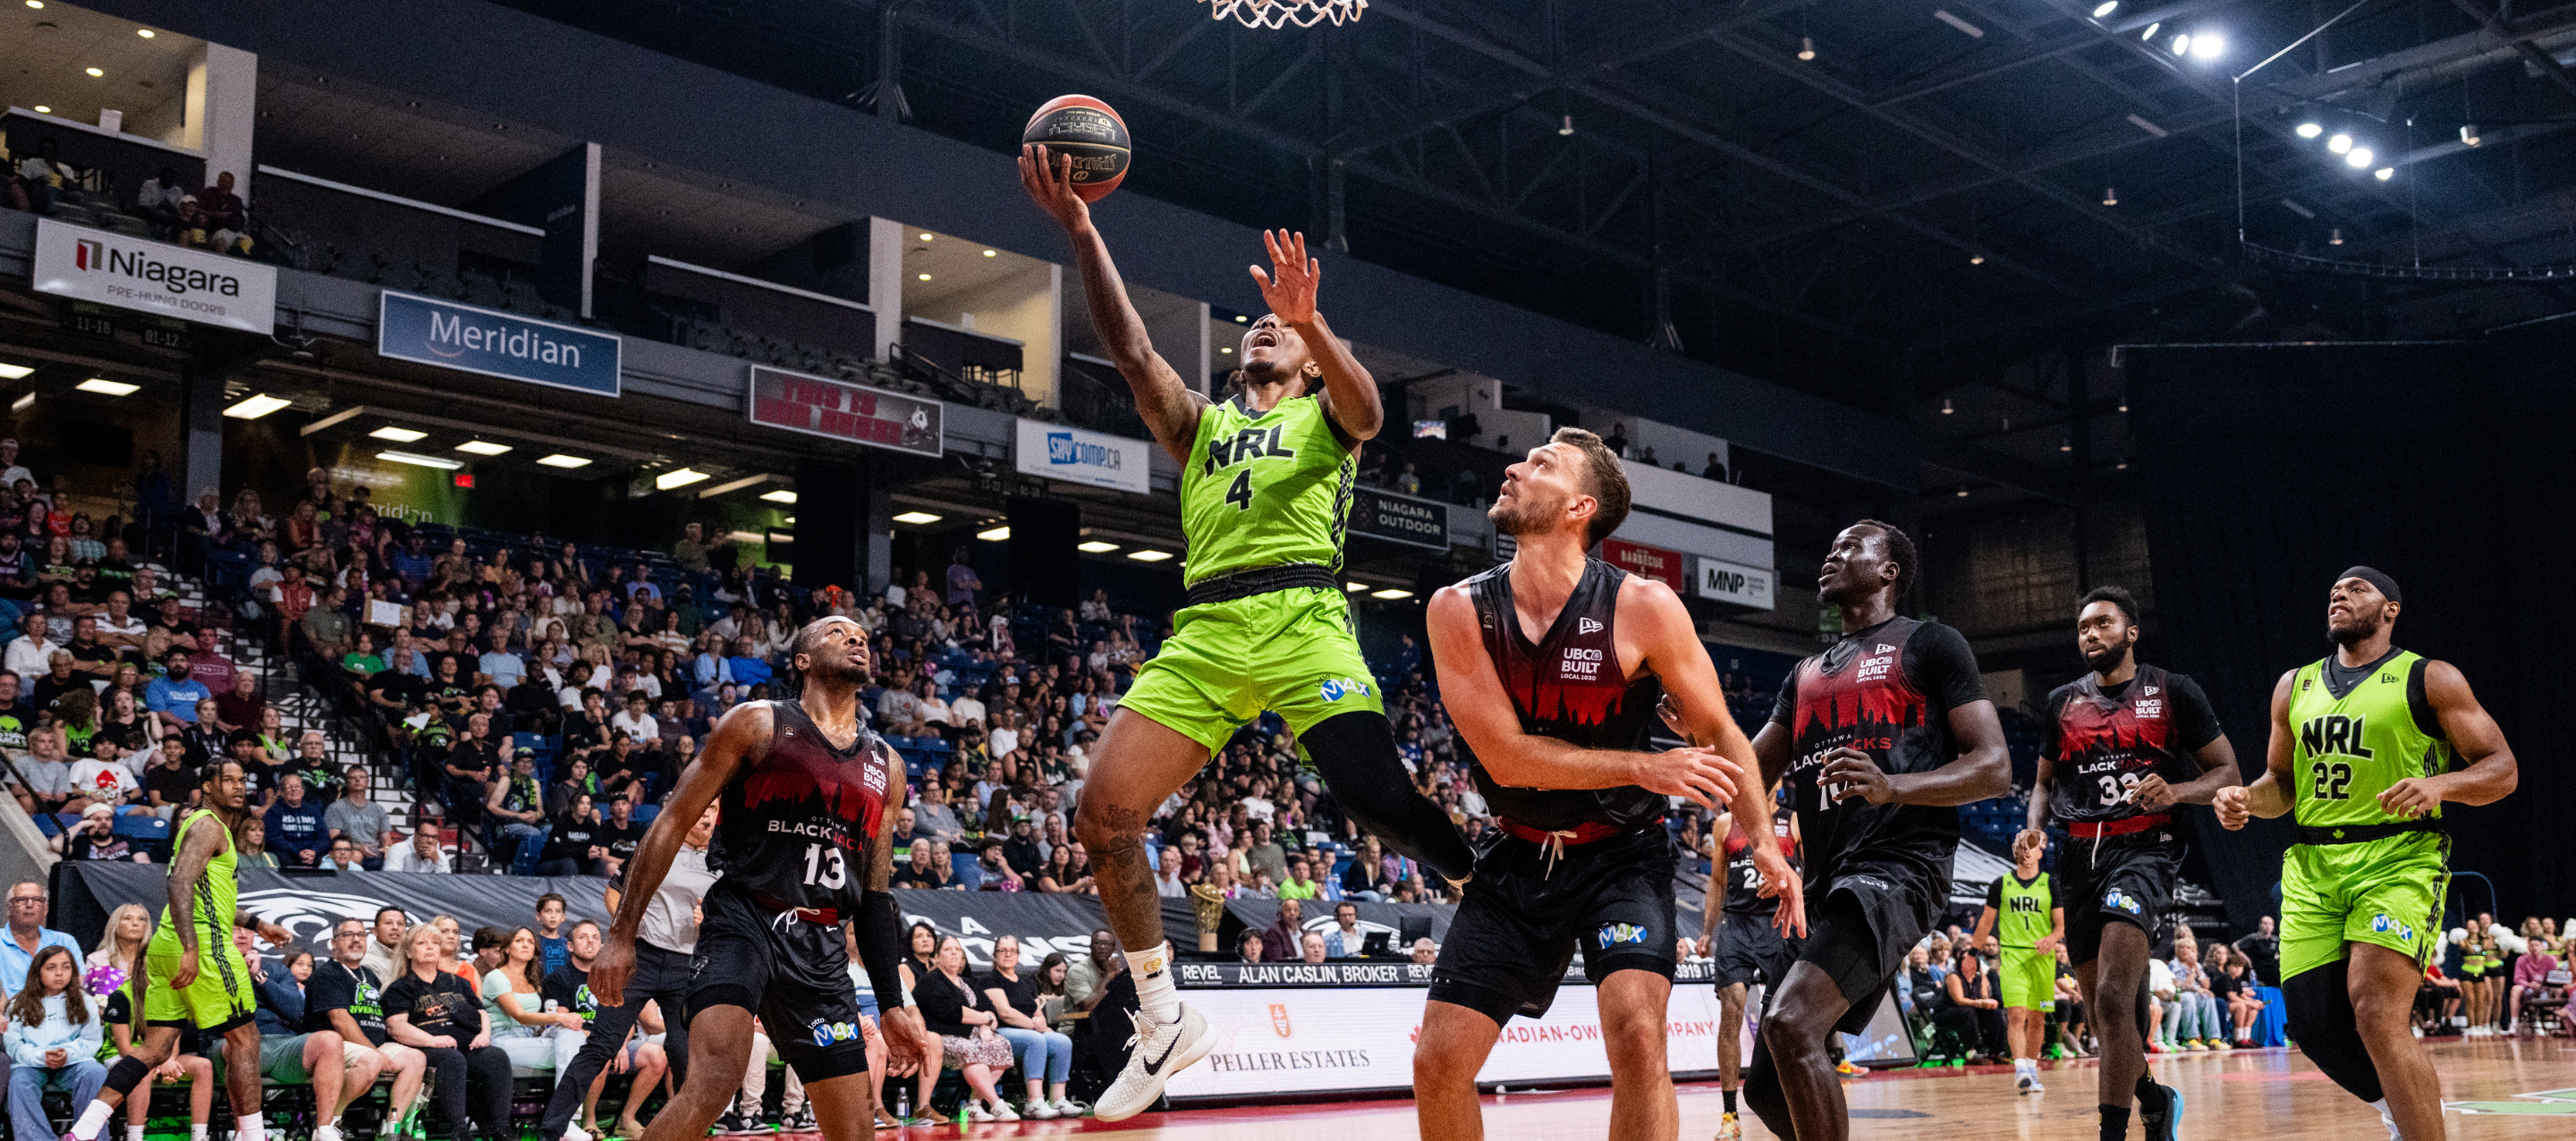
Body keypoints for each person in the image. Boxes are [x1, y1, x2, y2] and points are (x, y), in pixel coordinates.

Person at [1021, 144, 1474, 1118]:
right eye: (1260, 324)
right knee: (1102, 814)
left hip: (1306, 611)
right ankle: (1161, 1012)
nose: (1267, 330)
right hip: (1210, 628)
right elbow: (1134, 352)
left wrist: (1317, 322)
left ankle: (1491, 881)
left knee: (1378, 798)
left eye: (1285, 329)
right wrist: (1082, 229)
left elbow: (1370, 407)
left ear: (1308, 356)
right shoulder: (1201, 426)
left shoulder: (1326, 415)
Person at [1414, 429, 1795, 1141]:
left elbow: (1724, 735)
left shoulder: (1643, 607)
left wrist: (1767, 847)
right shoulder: (1458, 609)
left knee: (1638, 1037)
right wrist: (1646, 765)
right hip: (1518, 854)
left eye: (1540, 465)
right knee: (1438, 1063)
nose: (1513, 467)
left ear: (1579, 508)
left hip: (1624, 855)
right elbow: (1506, 760)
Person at [590, 617, 936, 1141]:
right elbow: (670, 823)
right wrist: (621, 933)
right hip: (744, 919)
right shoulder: (756, 723)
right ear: (802, 660)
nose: (856, 639)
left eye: (861, 635)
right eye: (837, 633)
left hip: (820, 944)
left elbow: (875, 893)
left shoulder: (886, 764)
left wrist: (892, 1002)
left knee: (854, 1130)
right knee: (715, 1080)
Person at [2216, 567, 2517, 1141]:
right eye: (2334, 589)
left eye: (2358, 589)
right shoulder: (2294, 685)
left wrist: (2442, 785)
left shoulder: (2431, 678)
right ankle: (2405, 1113)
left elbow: (2502, 769)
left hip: (2399, 856)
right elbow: (2282, 782)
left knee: (2376, 1010)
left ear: (2390, 610)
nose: (2340, 594)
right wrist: (2247, 799)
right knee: (2312, 1024)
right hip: (2312, 866)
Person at [1740, 520, 2009, 1141]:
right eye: (1829, 546)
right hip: (1825, 881)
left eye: (1850, 547)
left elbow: (1995, 768)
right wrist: (1704, 736)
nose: (1831, 554)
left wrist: (1894, 786)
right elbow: (1752, 771)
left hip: (1899, 865)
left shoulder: (1932, 644)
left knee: (1790, 1025)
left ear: (1889, 571)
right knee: (1764, 1090)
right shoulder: (1804, 673)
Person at [2022, 583, 2240, 1137]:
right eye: (2082, 628)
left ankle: (2111, 1133)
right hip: (2077, 856)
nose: (2090, 634)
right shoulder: (2062, 702)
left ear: (2131, 632)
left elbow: (2226, 775)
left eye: (2102, 624)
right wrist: (2032, 829)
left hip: (2145, 850)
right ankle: (2153, 1096)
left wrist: (2175, 790)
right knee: (2102, 1015)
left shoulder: (2174, 691)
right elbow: (2044, 781)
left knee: (2117, 1000)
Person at [63, 761, 301, 1141]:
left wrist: (256, 924)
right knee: (246, 1039)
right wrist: (192, 948)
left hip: (165, 948)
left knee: (155, 1047)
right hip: (202, 948)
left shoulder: (206, 827)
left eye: (243, 781)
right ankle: (254, 1135)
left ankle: (84, 1130)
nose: (239, 787)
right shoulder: (208, 824)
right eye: (229, 780)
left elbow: (208, 898)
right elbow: (178, 883)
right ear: (207, 786)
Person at [533, 807, 716, 1141]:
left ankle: (691, 1131)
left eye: (714, 811)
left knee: (683, 1050)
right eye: (702, 810)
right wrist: (628, 927)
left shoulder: (722, 860)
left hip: (686, 964)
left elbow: (732, 915)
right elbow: (614, 891)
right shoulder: (656, 847)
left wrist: (712, 920)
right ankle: (551, 1131)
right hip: (640, 958)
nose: (707, 817)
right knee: (601, 1045)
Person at [1699, 782, 1801, 1139]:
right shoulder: (1725, 823)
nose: (1765, 782)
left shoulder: (1793, 821)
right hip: (1737, 926)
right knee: (1733, 1006)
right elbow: (1716, 882)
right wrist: (1708, 932)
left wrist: (1789, 880)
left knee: (1781, 1019)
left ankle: (1786, 1099)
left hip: (1778, 925)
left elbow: (1813, 873)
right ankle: (1730, 1116)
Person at [382, 924, 513, 1141]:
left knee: (496, 1057)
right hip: (427, 1048)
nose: (430, 948)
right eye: (421, 943)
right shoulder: (400, 987)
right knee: (452, 1059)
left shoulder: (458, 982)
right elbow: (396, 1027)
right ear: (408, 952)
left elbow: (481, 1013)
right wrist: (432, 1040)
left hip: (467, 1044)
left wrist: (484, 1035)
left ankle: (501, 1130)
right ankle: (459, 1131)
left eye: (434, 942)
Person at [309, 918, 428, 1132]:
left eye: (361, 935)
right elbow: (340, 1022)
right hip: (335, 1046)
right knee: (372, 1061)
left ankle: (392, 1128)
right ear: (333, 942)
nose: (356, 940)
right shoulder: (328, 974)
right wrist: (376, 1053)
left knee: (416, 1058)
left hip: (372, 1045)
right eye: (348, 935)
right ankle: (329, 1121)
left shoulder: (368, 974)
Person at [1972, 831, 2065, 1094]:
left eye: (2031, 848)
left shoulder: (2050, 884)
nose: (2026, 852)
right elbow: (1985, 922)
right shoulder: (2000, 884)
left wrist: (2051, 939)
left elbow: (2060, 926)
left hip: (2042, 960)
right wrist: (1971, 953)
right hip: (2012, 956)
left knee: (2037, 1019)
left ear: (2040, 852)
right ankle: (2021, 1069)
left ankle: (2032, 1070)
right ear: (2015, 851)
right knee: (2015, 1014)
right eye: (2021, 848)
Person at [912, 934, 1017, 1121]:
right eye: (947, 949)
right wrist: (984, 1019)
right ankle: (996, 1104)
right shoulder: (931, 981)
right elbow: (953, 1013)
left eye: (957, 949)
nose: (954, 953)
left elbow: (991, 1009)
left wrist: (987, 1026)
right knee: (972, 1049)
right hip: (942, 1036)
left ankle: (974, 1105)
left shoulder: (968, 982)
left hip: (972, 1033)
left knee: (1001, 1045)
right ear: (936, 957)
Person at [9, 944, 106, 1141]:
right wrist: (40, 1056)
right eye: (51, 967)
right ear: (38, 972)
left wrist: (67, 1053)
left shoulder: (85, 1001)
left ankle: (85, 1136)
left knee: (95, 1071)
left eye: (66, 967)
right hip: (32, 1064)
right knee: (19, 1081)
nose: (59, 973)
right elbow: (13, 1044)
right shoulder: (19, 1002)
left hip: (72, 1063)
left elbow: (91, 1040)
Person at [980, 934, 1079, 1119]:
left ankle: (1058, 1100)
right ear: (995, 955)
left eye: (1012, 950)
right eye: (1003, 950)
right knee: (1035, 1040)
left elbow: (1037, 1012)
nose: (1008, 954)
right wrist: (1035, 1027)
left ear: (1018, 954)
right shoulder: (990, 979)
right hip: (1001, 1031)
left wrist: (1043, 1025)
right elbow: (1005, 1012)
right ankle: (1034, 1102)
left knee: (1062, 1041)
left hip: (1031, 1031)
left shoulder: (1027, 981)